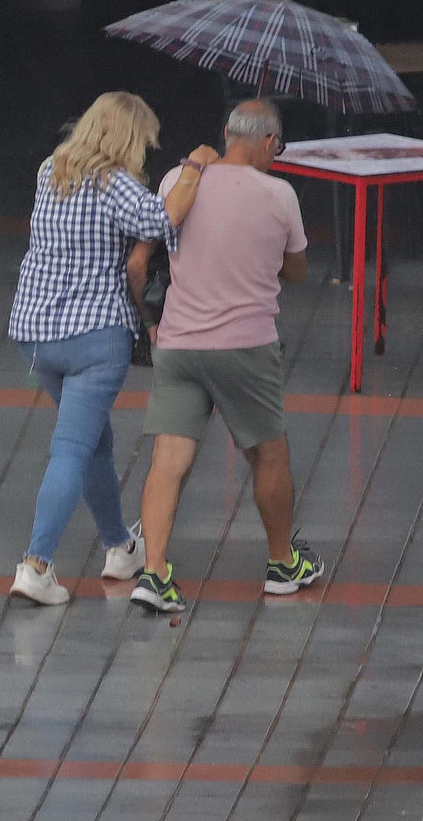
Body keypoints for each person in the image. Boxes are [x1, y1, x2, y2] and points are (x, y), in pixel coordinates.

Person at [8, 91, 219, 606]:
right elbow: (163, 222)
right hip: (94, 339)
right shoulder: (116, 185)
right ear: (128, 138)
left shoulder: (49, 171)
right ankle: (36, 565)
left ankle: (119, 547)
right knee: (72, 450)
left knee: (92, 442)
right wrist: (195, 166)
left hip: (36, 335)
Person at [127, 99, 325, 614]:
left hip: (178, 343)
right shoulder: (280, 194)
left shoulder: (177, 180)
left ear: (226, 132)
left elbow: (152, 249)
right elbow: (298, 271)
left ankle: (153, 573)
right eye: (277, 147)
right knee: (269, 454)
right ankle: (283, 564)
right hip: (245, 348)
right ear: (266, 142)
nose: (277, 156)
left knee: (168, 458)